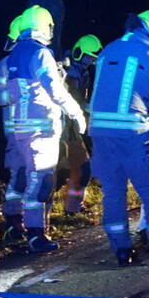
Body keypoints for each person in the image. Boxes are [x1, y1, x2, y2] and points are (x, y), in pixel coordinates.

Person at [89, 9, 149, 266]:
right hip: (133, 133)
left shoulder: (108, 49)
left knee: (112, 192)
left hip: (99, 132)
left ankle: (121, 251)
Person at [4, 5, 87, 253]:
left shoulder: (16, 53)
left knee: (31, 179)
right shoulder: (40, 53)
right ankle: (36, 235)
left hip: (22, 127)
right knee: (39, 182)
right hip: (41, 128)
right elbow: (54, 89)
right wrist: (75, 112)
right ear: (43, 26)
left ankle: (26, 229)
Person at [0, 13, 27, 244]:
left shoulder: (40, 59)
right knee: (20, 177)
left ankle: (36, 226)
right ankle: (13, 222)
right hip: (16, 132)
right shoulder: (4, 65)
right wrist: (16, 94)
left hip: (41, 132)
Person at [60, 34, 102, 213]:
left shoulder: (82, 71)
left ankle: (73, 208)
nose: (90, 62)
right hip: (61, 129)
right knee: (54, 174)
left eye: (93, 59)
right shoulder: (66, 69)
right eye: (89, 57)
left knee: (83, 168)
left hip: (74, 128)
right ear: (79, 53)